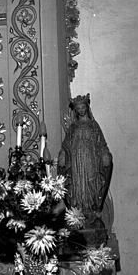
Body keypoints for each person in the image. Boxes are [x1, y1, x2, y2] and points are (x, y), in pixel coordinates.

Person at [57, 94, 112, 227]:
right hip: (76, 162)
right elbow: (66, 144)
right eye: (78, 108)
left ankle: (93, 209)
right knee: (77, 184)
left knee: (91, 182)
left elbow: (101, 143)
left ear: (87, 108)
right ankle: (77, 212)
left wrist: (105, 154)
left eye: (83, 107)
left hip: (91, 160)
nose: (81, 110)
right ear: (75, 111)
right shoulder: (73, 127)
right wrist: (63, 154)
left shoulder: (93, 125)